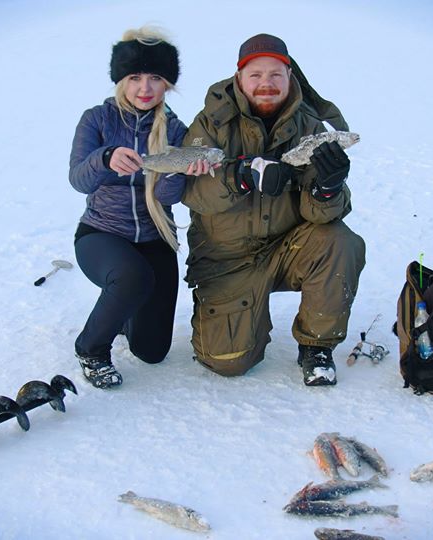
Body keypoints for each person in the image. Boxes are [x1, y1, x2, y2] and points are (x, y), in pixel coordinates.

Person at [181, 33, 366, 386]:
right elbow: (193, 193)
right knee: (227, 362)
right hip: (226, 260)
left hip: (287, 249)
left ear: (289, 76)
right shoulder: (210, 123)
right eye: (256, 74)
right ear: (239, 78)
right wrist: (240, 177)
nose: (266, 83)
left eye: (275, 74)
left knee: (339, 241)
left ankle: (316, 346)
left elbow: (321, 216)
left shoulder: (310, 127)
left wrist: (328, 188)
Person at [69, 27, 212, 389]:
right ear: (121, 80)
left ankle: (121, 307)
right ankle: (91, 348)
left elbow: (167, 197)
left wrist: (177, 169)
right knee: (132, 276)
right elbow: (79, 180)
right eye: (135, 77)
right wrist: (105, 158)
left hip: (155, 236)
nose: (144, 88)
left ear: (167, 85)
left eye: (155, 78)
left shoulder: (177, 130)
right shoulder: (97, 119)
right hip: (101, 234)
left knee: (151, 351)